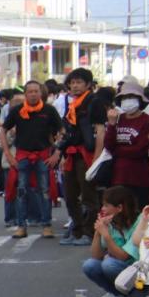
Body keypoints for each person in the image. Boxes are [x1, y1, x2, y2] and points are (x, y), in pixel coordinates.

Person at [0, 81, 62, 238]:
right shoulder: (17, 110)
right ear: (25, 94)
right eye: (30, 91)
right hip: (22, 156)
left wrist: (57, 153)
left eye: (36, 91)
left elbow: (62, 131)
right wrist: (8, 154)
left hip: (43, 156)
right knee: (21, 191)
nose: (33, 94)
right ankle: (21, 226)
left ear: (41, 93)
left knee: (44, 191)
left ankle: (46, 225)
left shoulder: (49, 110)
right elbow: (3, 129)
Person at [54, 68, 104, 245]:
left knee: (89, 196)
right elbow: (68, 132)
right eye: (72, 83)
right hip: (72, 154)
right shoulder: (71, 104)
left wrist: (97, 158)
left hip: (87, 154)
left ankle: (90, 233)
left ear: (88, 84)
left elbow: (100, 130)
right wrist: (62, 154)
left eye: (79, 82)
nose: (74, 86)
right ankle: (77, 230)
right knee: (69, 194)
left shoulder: (94, 102)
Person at [81, 186, 141, 297]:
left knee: (109, 264)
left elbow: (123, 256)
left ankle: (133, 295)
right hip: (122, 268)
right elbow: (96, 256)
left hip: (139, 271)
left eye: (106, 205)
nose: (103, 209)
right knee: (89, 265)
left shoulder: (139, 222)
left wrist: (106, 235)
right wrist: (98, 233)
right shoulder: (112, 223)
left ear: (119, 208)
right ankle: (116, 294)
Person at [104, 79, 149, 207]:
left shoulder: (147, 120)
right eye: (125, 97)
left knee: (140, 212)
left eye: (131, 97)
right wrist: (111, 124)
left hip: (140, 177)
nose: (127, 100)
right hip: (118, 176)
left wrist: (117, 150)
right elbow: (109, 145)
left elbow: (140, 149)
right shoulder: (117, 119)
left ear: (140, 99)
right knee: (121, 214)